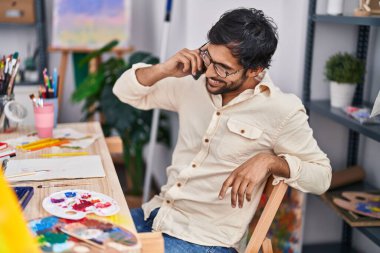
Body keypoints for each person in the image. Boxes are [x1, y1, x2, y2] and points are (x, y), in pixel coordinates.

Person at [113, 7, 332, 253]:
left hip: (205, 240)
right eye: (209, 58)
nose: (208, 72)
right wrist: (163, 69)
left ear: (255, 70)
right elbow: (123, 92)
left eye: (223, 68)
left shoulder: (282, 109)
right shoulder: (192, 83)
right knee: (74, 237)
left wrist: (270, 161)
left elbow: (322, 177)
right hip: (156, 214)